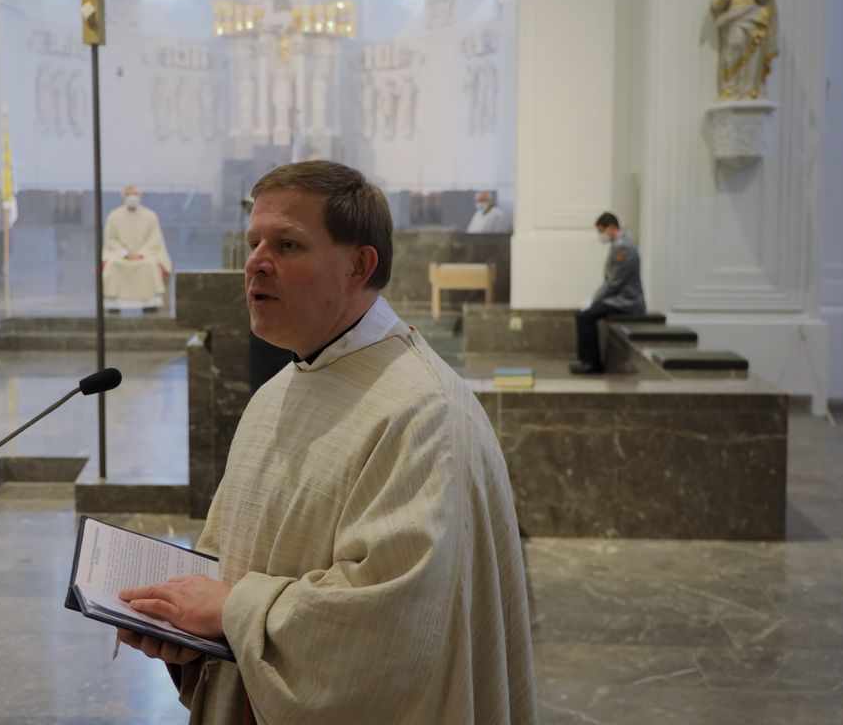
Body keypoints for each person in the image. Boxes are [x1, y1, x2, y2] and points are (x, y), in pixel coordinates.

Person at [116, 160, 536, 724]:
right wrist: (185, 629)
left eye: (287, 245)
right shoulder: (278, 392)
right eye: (254, 242)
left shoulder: (421, 410)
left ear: (359, 265)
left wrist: (231, 611)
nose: (257, 263)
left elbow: (388, 628)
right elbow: (230, 569)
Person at [569, 212, 646, 375]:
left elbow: (614, 283)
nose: (601, 236)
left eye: (601, 232)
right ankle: (587, 360)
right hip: (620, 298)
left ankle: (591, 363)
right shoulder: (620, 244)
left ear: (611, 228)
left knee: (585, 316)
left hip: (627, 302)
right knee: (584, 313)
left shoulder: (623, 247)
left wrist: (594, 300)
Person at [102, 185, 172, 312]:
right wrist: (125, 254)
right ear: (123, 197)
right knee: (113, 265)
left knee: (150, 265)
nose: (131, 197)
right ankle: (114, 305)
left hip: (145, 255)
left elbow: (154, 238)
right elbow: (111, 239)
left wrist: (141, 253)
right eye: (128, 194)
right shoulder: (114, 216)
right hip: (121, 256)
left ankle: (149, 304)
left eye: (134, 194)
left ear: (140, 196)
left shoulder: (150, 216)